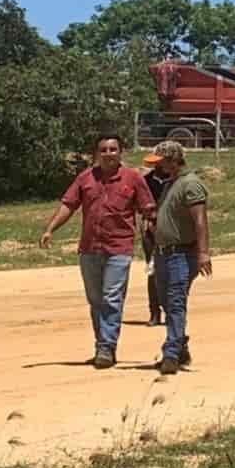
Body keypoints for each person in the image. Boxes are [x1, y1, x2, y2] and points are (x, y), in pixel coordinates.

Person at [38, 134, 155, 369]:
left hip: (119, 248)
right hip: (90, 248)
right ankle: (101, 343)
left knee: (112, 298)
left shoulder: (133, 178)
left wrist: (159, 236)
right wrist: (50, 229)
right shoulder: (85, 178)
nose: (109, 154)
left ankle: (107, 347)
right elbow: (69, 204)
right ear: (96, 153)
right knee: (96, 301)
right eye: (104, 150)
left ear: (121, 152)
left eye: (113, 149)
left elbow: (148, 209)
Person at [146, 141, 212, 375]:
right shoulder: (171, 183)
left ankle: (171, 354)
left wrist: (203, 253)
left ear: (173, 160)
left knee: (175, 302)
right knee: (165, 301)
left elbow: (200, 221)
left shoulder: (190, 184)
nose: (157, 168)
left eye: (160, 162)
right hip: (163, 253)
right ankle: (180, 346)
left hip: (182, 254)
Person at [139, 155, 172, 326]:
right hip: (150, 230)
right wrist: (150, 220)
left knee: (171, 270)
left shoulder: (174, 180)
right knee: (153, 270)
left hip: (172, 230)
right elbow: (141, 205)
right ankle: (154, 312)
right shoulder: (146, 181)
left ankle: (171, 311)